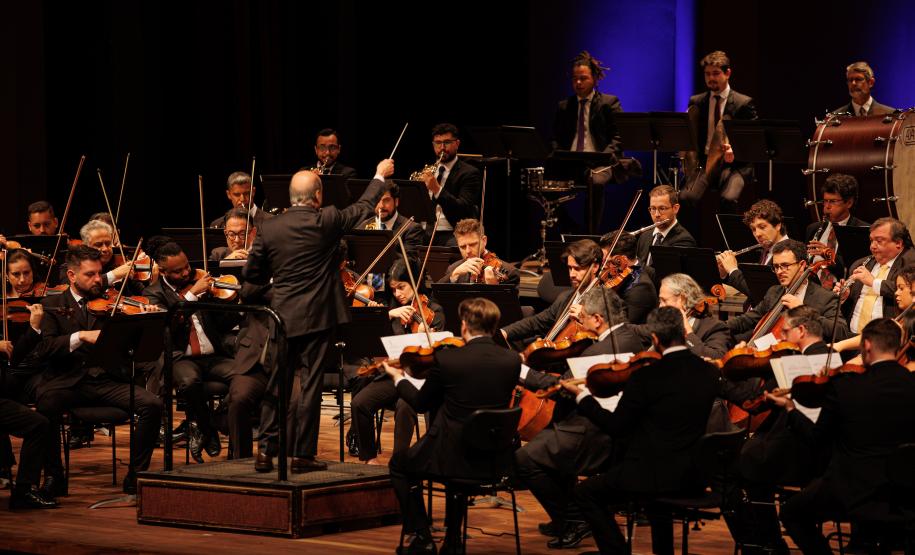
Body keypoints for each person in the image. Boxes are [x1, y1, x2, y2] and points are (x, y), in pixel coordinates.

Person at [244, 158, 394, 473]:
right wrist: (379, 175)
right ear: (317, 197)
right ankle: (302, 456)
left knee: (277, 384)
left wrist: (279, 285)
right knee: (310, 386)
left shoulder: (270, 227)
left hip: (282, 316)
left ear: (290, 197)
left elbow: (251, 274)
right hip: (317, 318)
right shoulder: (325, 220)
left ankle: (265, 452)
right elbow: (364, 206)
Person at [567, 306, 720, 555]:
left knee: (585, 493)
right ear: (683, 332)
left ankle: (616, 551)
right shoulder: (709, 371)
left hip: (648, 476)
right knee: (653, 498)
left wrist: (584, 399)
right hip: (692, 476)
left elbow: (617, 426)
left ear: (655, 339)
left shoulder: (646, 377)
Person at [383, 297, 520, 553]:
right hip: (494, 459)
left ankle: (422, 536)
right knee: (456, 459)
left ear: (465, 325)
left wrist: (398, 378)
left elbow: (420, 404)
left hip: (452, 458)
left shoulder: (448, 361)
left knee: (400, 465)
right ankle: (453, 540)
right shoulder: (512, 361)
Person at [770, 318, 915, 553]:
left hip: (851, 489)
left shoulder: (846, 387)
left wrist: (790, 409)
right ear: (898, 346)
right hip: (903, 494)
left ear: (866, 345)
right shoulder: (911, 383)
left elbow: (816, 439)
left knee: (791, 513)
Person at [516, 287, 645, 549]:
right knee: (548, 441)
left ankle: (574, 518)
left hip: (594, 432)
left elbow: (562, 390)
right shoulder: (631, 338)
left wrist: (520, 371)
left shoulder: (596, 352)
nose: (579, 322)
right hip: (614, 427)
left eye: (583, 317)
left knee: (525, 458)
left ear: (598, 319)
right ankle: (565, 517)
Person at [33, 245, 164, 495]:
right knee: (45, 406)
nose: (97, 280)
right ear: (72, 276)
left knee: (153, 404)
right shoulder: (52, 304)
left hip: (106, 381)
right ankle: (53, 477)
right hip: (68, 382)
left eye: (99, 273)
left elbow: (135, 346)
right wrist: (80, 336)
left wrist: (146, 321)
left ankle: (136, 475)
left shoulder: (113, 301)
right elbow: (45, 348)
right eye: (90, 275)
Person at [143, 241, 240, 462]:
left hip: (213, 355)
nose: (187, 272)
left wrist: (232, 302)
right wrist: (190, 297)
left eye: (187, 266)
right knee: (189, 382)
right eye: (178, 271)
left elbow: (223, 324)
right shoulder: (153, 294)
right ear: (163, 271)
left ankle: (212, 421)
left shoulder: (201, 282)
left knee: (245, 375)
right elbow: (167, 327)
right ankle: (208, 430)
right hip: (179, 357)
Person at [348, 257, 445, 465]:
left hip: (419, 379)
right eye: (393, 289)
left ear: (415, 283)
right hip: (393, 374)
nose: (398, 294)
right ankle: (369, 459)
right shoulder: (390, 310)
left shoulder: (435, 312)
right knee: (359, 403)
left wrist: (422, 336)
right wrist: (388, 314)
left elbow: (437, 355)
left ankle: (400, 462)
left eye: (402, 288)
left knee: (405, 406)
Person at [551, 50, 625, 231]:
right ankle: (570, 231)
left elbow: (619, 136)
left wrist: (604, 156)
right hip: (572, 161)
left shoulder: (609, 103)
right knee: (543, 180)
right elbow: (556, 138)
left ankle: (591, 235)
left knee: (596, 181)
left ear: (595, 79)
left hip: (601, 162)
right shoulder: (564, 106)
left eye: (583, 78)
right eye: (575, 78)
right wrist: (557, 154)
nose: (578, 83)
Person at [727, 239, 850, 344]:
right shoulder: (774, 292)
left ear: (802, 265)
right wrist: (715, 327)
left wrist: (804, 310)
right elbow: (748, 319)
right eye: (776, 267)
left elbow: (840, 332)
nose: (780, 272)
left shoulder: (825, 297)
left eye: (785, 265)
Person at [679, 50, 758, 209]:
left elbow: (752, 139)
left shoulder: (743, 103)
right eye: (707, 74)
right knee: (685, 198)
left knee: (728, 200)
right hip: (704, 162)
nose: (711, 78)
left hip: (735, 165)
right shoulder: (697, 101)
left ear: (727, 73)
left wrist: (734, 150)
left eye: (715, 73)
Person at [502, 240, 602, 345]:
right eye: (570, 268)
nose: (572, 274)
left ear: (595, 267)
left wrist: (586, 319)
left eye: (578, 269)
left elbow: (608, 338)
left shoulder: (604, 301)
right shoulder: (566, 297)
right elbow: (537, 322)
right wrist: (504, 332)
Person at [838, 217, 915, 334]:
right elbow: (850, 308)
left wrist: (873, 283)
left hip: (888, 339)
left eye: (879, 241)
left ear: (898, 243)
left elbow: (909, 292)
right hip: (851, 336)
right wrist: (845, 297)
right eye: (871, 240)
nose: (872, 246)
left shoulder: (910, 263)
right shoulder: (860, 264)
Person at [634, 272, 733, 359]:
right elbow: (635, 331)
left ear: (683, 299)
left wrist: (689, 333)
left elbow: (717, 357)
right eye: (660, 301)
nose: (660, 306)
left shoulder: (714, 327)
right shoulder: (665, 324)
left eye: (664, 300)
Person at [418, 123, 482, 246]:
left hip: (452, 231)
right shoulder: (427, 171)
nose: (442, 147)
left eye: (447, 142)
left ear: (457, 144)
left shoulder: (469, 173)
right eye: (438, 143)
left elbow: (463, 209)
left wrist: (437, 190)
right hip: (424, 231)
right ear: (433, 145)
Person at [805, 173, 870, 289]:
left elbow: (854, 270)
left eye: (833, 201)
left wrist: (829, 255)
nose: (827, 207)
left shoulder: (861, 231)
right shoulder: (813, 229)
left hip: (842, 293)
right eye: (825, 201)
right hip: (812, 291)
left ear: (849, 203)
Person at [717, 199, 790, 299]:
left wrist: (733, 270)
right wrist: (725, 271)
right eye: (753, 229)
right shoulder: (767, 250)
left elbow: (761, 294)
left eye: (762, 227)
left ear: (778, 226)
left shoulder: (787, 253)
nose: (757, 234)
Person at [599, 231, 658, 324]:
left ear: (622, 260)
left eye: (606, 261)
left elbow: (623, 327)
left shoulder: (641, 288)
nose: (603, 267)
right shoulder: (616, 276)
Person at [439, 218, 520, 286]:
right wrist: (454, 276)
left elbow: (508, 305)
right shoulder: (453, 268)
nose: (468, 251)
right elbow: (434, 301)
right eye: (463, 247)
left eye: (473, 244)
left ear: (484, 241)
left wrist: (493, 288)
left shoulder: (510, 272)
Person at [636, 185, 697, 269]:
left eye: (662, 208)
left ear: (675, 208)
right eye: (653, 208)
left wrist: (634, 263)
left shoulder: (684, 240)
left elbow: (664, 274)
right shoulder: (644, 237)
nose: (657, 214)